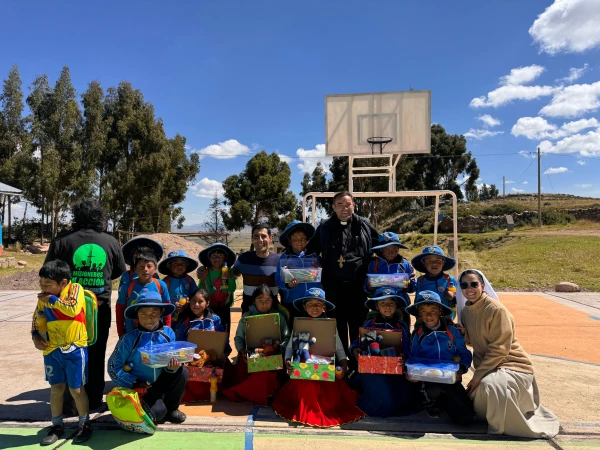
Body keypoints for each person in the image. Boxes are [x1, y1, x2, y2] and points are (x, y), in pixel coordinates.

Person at [45, 198, 126, 411]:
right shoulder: (110, 242)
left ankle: (69, 401)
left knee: (67, 352)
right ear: (100, 217)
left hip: (66, 311)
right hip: (99, 308)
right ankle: (94, 397)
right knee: (96, 353)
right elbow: (118, 271)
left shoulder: (62, 241)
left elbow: (49, 271)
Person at [457, 269, 559, 438]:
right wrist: (464, 334)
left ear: (482, 285)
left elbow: (499, 349)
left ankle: (499, 428)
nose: (469, 288)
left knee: (490, 387)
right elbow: (474, 341)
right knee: (477, 393)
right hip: (490, 367)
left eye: (474, 284)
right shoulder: (466, 311)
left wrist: (477, 376)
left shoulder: (497, 310)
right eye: (464, 285)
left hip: (513, 365)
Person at [272, 288, 366, 427]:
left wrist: (343, 362)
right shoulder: (299, 324)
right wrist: (287, 361)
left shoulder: (330, 324)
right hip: (304, 365)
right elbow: (291, 346)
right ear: (304, 307)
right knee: (307, 387)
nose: (314, 308)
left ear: (324, 307)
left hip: (325, 363)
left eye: (318, 304)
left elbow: (338, 346)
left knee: (332, 392)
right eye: (310, 304)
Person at [31, 260, 92, 445]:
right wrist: (35, 336)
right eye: (41, 283)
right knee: (56, 389)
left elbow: (72, 308)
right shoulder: (44, 298)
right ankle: (57, 425)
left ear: (63, 283)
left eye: (48, 284)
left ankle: (84, 424)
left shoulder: (75, 290)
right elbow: (36, 319)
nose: (44, 288)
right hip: (52, 350)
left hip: (74, 348)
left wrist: (50, 299)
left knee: (76, 389)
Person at [310, 192, 379, 350]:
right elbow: (312, 250)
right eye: (340, 205)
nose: (344, 208)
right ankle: (341, 365)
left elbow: (381, 246)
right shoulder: (325, 227)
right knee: (336, 327)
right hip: (333, 288)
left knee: (358, 327)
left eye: (348, 204)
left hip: (357, 288)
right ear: (333, 207)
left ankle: (356, 364)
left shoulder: (364, 225)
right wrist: (316, 264)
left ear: (353, 205)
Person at [108, 291, 187, 425]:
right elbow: (113, 367)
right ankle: (151, 405)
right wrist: (134, 382)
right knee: (157, 414)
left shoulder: (169, 334)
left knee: (183, 371)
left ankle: (172, 409)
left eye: (153, 313)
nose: (148, 318)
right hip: (140, 386)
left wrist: (172, 368)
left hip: (161, 382)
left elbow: (171, 360)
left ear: (161, 312)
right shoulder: (128, 339)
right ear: (137, 315)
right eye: (143, 314)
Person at [347, 287, 420, 417]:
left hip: (394, 369)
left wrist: (404, 355)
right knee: (380, 390)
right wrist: (355, 350)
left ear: (396, 306)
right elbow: (355, 344)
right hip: (371, 369)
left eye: (391, 303)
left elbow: (408, 347)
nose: (387, 307)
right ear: (376, 306)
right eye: (383, 303)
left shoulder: (401, 325)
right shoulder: (369, 323)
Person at [405, 290, 474, 424]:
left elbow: (464, 354)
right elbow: (413, 358)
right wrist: (410, 372)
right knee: (430, 390)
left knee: (465, 418)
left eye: (433, 310)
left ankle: (445, 401)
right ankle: (430, 401)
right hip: (427, 380)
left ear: (440, 311)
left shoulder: (453, 332)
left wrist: (461, 368)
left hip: (450, 379)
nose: (429, 315)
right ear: (419, 314)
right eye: (423, 311)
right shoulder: (417, 335)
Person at [222, 285, 289, 406]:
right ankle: (257, 393)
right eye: (260, 301)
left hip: (273, 354)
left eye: (268, 301)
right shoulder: (247, 316)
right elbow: (238, 337)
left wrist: (279, 347)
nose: (264, 304)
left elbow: (286, 337)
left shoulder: (279, 317)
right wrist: (242, 350)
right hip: (251, 354)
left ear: (272, 301)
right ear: (254, 301)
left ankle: (270, 393)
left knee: (270, 371)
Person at [174, 289, 231, 402]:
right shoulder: (184, 321)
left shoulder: (215, 320)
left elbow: (223, 340)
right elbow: (179, 342)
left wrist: (224, 353)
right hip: (192, 361)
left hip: (212, 359)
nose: (196, 305)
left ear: (207, 303)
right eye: (193, 301)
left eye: (200, 302)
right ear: (189, 302)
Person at [116, 248, 171, 337]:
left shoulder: (161, 285)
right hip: (132, 332)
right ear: (135, 269)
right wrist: (121, 333)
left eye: (149, 266)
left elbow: (166, 311)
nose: (145, 269)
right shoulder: (127, 287)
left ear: (155, 268)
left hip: (156, 332)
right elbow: (120, 310)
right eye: (141, 267)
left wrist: (167, 329)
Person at [274, 220, 321, 323]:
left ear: (307, 240)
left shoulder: (314, 256)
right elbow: (278, 280)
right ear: (289, 240)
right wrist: (288, 285)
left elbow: (323, 276)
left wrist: (321, 268)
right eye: (295, 238)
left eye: (303, 238)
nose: (299, 241)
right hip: (292, 303)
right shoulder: (285, 258)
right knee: (293, 333)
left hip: (313, 302)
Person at [232, 224, 281, 313]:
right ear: (252, 239)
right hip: (248, 312)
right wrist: (206, 270)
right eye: (256, 237)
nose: (260, 240)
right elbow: (230, 276)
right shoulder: (244, 259)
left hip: (272, 312)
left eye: (263, 236)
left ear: (270, 239)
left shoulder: (279, 261)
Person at [196, 243, 237, 333]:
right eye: (214, 256)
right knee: (210, 330)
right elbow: (200, 288)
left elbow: (232, 289)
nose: (217, 258)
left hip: (224, 307)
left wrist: (230, 278)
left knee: (225, 332)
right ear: (209, 258)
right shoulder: (205, 271)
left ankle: (225, 346)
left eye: (220, 256)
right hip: (209, 307)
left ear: (225, 259)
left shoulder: (227, 270)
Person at [411, 246, 458, 323]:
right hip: (427, 320)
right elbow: (417, 302)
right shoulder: (421, 280)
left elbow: (460, 300)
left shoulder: (450, 279)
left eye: (438, 261)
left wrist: (453, 297)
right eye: (429, 261)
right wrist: (418, 319)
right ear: (424, 264)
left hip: (446, 320)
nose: (434, 264)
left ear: (443, 262)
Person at [158, 250, 198, 323]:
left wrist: (189, 302)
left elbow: (196, 294)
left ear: (186, 266)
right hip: (171, 316)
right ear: (169, 266)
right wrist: (173, 304)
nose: (179, 266)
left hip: (187, 314)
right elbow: (161, 300)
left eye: (183, 263)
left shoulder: (189, 280)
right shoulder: (165, 282)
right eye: (175, 263)